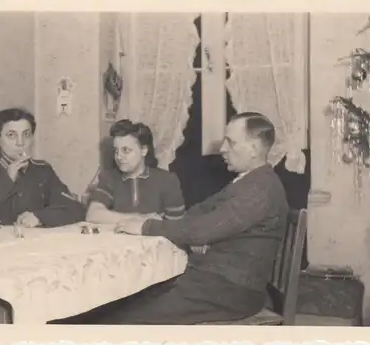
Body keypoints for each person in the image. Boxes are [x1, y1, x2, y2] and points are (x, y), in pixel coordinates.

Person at [89, 112, 289, 325]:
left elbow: (201, 232)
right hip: (218, 280)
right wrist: (161, 222)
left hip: (231, 290)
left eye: (230, 142)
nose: (222, 148)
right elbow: (201, 211)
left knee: (122, 317)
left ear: (254, 149)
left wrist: (147, 226)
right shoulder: (248, 181)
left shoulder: (259, 189)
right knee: (125, 301)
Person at [0, 108, 86, 228]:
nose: (20, 143)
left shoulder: (42, 171)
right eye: (11, 135)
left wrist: (40, 217)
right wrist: (5, 180)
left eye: (26, 134)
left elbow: (75, 209)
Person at [85, 119, 185, 224]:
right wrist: (139, 218)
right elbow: (92, 215)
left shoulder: (167, 181)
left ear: (144, 150)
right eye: (116, 150)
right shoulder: (109, 178)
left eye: (126, 150)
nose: (119, 157)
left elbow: (177, 228)